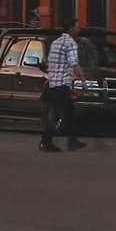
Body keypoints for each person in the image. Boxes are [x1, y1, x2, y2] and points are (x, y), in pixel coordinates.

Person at [38, 19, 85, 153]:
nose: (79, 30)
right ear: (70, 29)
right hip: (63, 84)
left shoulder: (56, 42)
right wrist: (82, 80)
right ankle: (45, 141)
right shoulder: (70, 43)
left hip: (54, 83)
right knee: (56, 114)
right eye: (77, 27)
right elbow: (74, 63)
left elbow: (51, 63)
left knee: (69, 111)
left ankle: (72, 141)